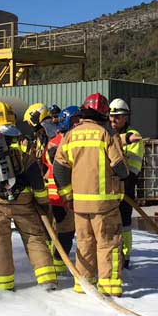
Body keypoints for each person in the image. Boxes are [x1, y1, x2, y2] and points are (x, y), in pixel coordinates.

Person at [0, 101, 57, 292]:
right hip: (23, 200)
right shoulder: (24, 142)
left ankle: (4, 285)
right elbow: (35, 177)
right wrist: (42, 202)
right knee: (34, 237)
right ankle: (48, 279)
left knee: (0, 242)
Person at [52, 93, 128, 295]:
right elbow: (122, 169)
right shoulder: (106, 135)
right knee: (108, 243)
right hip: (105, 204)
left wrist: (68, 194)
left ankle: (83, 283)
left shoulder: (70, 135)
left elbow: (59, 168)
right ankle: (109, 286)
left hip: (80, 204)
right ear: (104, 113)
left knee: (84, 243)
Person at [43, 105, 81, 275]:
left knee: (54, 231)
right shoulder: (68, 141)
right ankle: (58, 264)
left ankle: (52, 261)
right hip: (64, 195)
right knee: (66, 231)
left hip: (51, 195)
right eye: (76, 120)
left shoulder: (53, 140)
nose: (79, 123)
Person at [108, 98, 145, 267]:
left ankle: (125, 257)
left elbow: (133, 168)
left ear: (125, 118)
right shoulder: (107, 134)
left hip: (126, 186)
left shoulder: (134, 137)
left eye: (117, 117)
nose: (113, 120)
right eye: (111, 116)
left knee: (125, 224)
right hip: (109, 187)